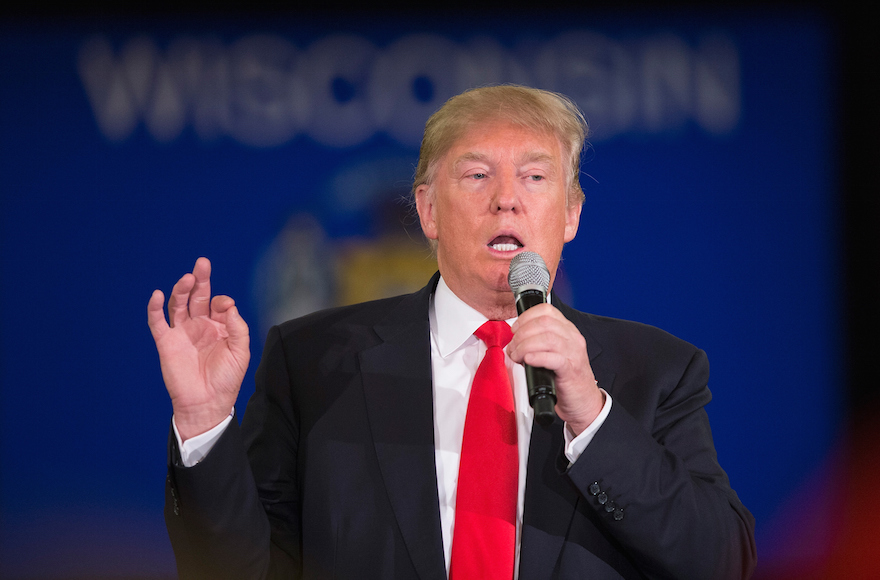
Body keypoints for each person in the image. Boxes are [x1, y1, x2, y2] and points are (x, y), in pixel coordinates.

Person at [148, 85, 756, 579]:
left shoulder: (655, 370)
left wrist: (593, 419)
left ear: (571, 215)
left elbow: (719, 562)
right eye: (476, 176)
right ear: (428, 211)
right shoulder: (312, 362)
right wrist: (203, 425)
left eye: (535, 178)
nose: (507, 202)